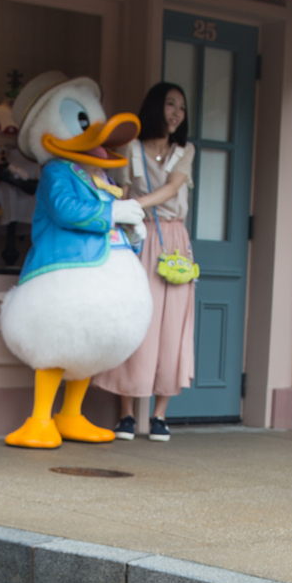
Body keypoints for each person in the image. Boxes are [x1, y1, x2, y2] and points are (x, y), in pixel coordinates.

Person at [98, 82, 195, 442]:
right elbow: (120, 190)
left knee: (172, 327)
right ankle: (125, 413)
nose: (176, 113)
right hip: (138, 235)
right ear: (156, 106)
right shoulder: (131, 148)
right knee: (135, 320)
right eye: (170, 104)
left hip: (174, 242)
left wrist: (132, 205)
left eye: (181, 107)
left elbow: (172, 188)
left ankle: (160, 415)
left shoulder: (185, 151)